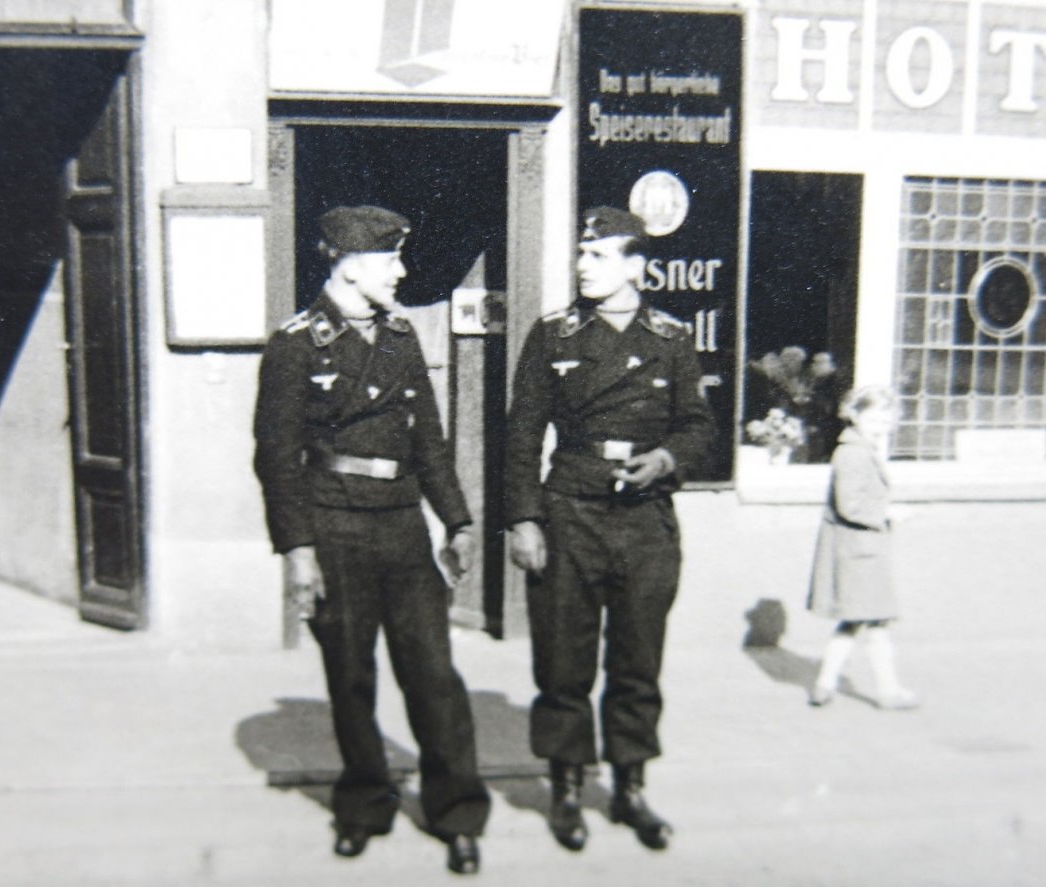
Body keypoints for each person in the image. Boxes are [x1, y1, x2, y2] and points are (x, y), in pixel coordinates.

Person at [252, 205, 490, 875]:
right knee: (351, 676)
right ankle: (363, 803)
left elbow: (430, 442)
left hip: (403, 525)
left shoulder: (399, 336)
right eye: (391, 260)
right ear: (350, 266)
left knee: (434, 675)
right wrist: (298, 551)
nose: (402, 272)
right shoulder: (295, 344)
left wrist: (458, 521)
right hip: (334, 526)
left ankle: (457, 812)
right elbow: (276, 458)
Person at [504, 207, 716, 852]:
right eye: (581, 254)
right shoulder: (554, 335)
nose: (582, 266)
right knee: (563, 661)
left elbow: (698, 425)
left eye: (597, 256)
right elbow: (521, 436)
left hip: (646, 517)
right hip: (571, 510)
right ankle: (566, 788)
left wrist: (667, 459)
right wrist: (523, 519)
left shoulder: (671, 337)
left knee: (637, 661)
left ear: (634, 266)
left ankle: (630, 787)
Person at [805, 385, 918, 710]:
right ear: (854, 415)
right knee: (876, 621)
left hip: (858, 550)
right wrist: (888, 513)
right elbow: (850, 505)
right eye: (873, 417)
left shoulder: (858, 448)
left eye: (886, 417)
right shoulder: (853, 453)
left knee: (854, 620)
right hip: (859, 552)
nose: (881, 424)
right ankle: (888, 691)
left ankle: (824, 685)